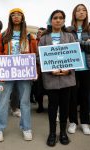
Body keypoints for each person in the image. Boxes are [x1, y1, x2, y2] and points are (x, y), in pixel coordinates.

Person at [0, 8, 37, 142]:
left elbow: (34, 55)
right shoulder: (3, 35)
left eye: (19, 15)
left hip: (24, 74)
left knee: (25, 101)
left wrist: (35, 71)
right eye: (13, 15)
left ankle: (26, 127)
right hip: (6, 73)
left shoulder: (29, 36)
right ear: (10, 18)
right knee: (2, 101)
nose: (16, 17)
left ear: (22, 18)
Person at [39, 10, 76, 146]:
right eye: (55, 18)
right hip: (51, 79)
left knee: (65, 107)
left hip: (67, 79)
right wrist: (50, 70)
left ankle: (63, 132)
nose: (58, 20)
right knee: (52, 107)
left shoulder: (69, 36)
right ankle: (52, 133)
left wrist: (69, 69)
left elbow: (75, 56)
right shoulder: (43, 39)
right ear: (51, 20)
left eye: (61, 18)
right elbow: (40, 58)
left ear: (64, 20)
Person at [68, 4, 90, 135]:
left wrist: (78, 43)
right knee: (72, 97)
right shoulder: (69, 30)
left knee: (86, 96)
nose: (81, 12)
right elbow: (69, 46)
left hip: (87, 68)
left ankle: (85, 122)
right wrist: (86, 42)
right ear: (74, 13)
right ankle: (73, 122)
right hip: (73, 68)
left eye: (84, 10)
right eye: (78, 10)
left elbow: (78, 44)